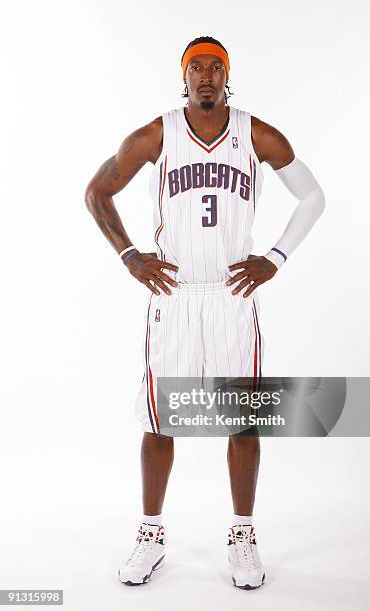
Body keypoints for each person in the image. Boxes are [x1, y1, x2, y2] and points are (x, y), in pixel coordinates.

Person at [85, 35, 325, 590]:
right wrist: (128, 254)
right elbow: (98, 192)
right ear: (184, 77)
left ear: (228, 75)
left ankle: (242, 534)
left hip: (232, 294)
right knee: (161, 420)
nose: (207, 74)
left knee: (241, 419)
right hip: (174, 294)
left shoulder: (255, 133)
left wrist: (276, 257)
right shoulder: (157, 134)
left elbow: (312, 197)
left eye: (217, 66)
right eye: (198, 67)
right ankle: (150, 534)